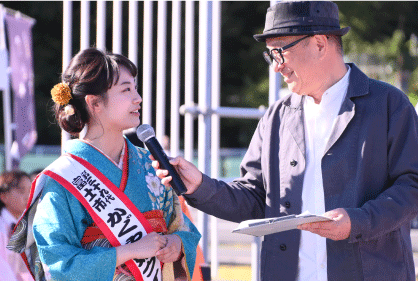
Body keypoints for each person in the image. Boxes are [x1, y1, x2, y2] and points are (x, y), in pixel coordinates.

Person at [153, 1, 418, 281]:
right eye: (271, 56)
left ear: (319, 43)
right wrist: (200, 186)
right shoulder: (277, 117)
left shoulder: (388, 104)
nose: (276, 67)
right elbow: (255, 197)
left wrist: (358, 221)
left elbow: (412, 185)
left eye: (280, 52)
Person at [7, 48, 200, 281]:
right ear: (94, 102)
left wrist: (176, 244)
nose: (137, 98)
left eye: (135, 89)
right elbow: (58, 264)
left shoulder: (151, 166)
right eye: (126, 89)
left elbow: (184, 229)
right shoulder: (62, 179)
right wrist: (128, 251)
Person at [0, 170, 32, 281]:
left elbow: (24, 269)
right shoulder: (2, 227)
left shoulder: (24, 225)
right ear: (3, 196)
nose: (27, 196)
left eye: (29, 190)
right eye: (21, 190)